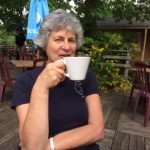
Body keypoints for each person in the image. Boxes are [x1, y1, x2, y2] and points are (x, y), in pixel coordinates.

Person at [11, 9, 104, 150]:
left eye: (71, 40)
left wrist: (49, 146)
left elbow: (97, 130)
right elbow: (31, 145)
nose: (67, 47)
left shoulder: (86, 75)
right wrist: (41, 86)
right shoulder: (25, 81)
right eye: (58, 39)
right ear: (45, 44)